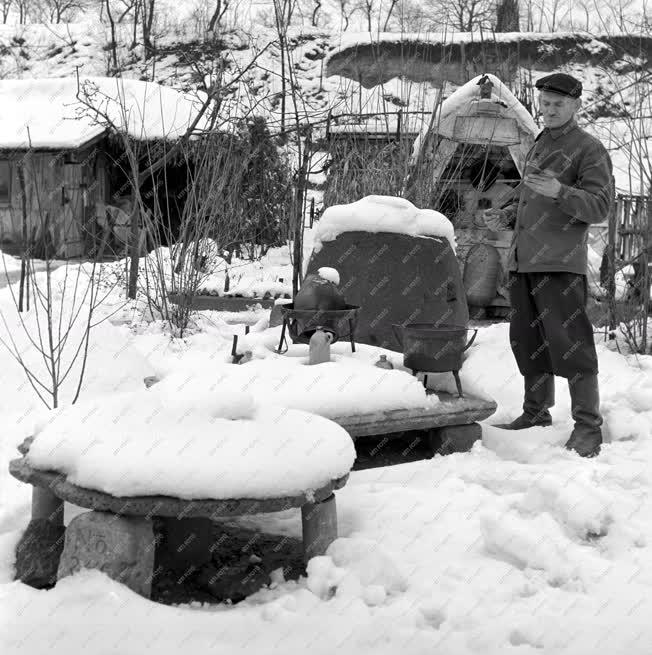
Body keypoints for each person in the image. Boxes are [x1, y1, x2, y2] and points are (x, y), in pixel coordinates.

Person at [483, 72, 615, 458]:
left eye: (558, 104)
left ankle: (589, 427)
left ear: (576, 105)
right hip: (524, 263)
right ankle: (535, 412)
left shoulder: (590, 149)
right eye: (545, 103)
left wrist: (561, 191)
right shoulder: (540, 143)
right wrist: (506, 216)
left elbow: (599, 207)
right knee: (527, 339)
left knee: (571, 344)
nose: (550, 110)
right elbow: (530, 194)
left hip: (560, 265)